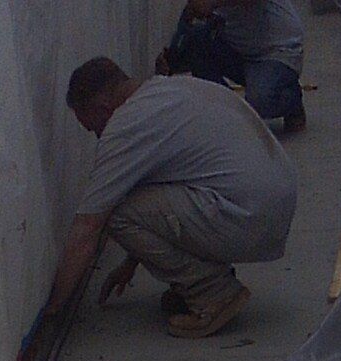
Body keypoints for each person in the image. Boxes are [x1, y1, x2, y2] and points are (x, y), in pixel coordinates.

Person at [46, 57, 297, 340]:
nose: (98, 137)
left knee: (115, 213)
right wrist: (133, 260)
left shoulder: (126, 125)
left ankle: (212, 293)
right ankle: (198, 282)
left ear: (102, 109)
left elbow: (88, 227)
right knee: (134, 198)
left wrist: (53, 311)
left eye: (94, 129)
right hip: (269, 203)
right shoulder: (169, 90)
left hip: (251, 218)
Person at [157, 0, 306, 133]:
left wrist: (212, 2)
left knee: (261, 101)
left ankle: (292, 100)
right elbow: (191, 20)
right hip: (238, 49)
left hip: (276, 52)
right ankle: (229, 114)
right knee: (197, 43)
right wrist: (171, 59)